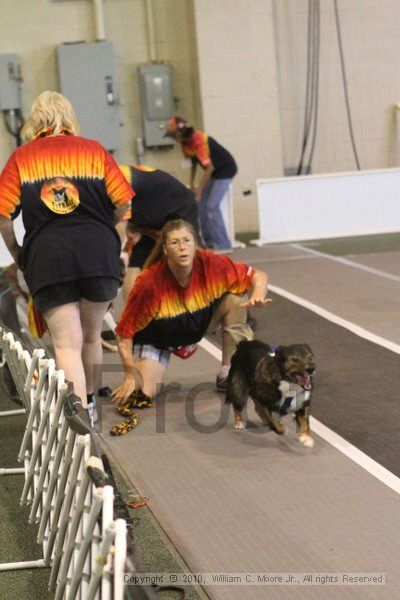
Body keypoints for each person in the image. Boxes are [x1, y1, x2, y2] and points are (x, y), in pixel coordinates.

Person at [0, 91, 134, 414]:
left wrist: (18, 253)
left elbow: (3, 214)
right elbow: (125, 203)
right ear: (70, 117)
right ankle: (91, 409)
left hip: (49, 258)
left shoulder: (23, 157)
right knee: (91, 337)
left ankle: (80, 419)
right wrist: (110, 236)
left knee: (65, 343)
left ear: (36, 121)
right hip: (99, 254)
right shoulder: (95, 151)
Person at [112, 219, 270, 412]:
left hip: (196, 322)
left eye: (187, 240)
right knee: (141, 395)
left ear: (196, 245)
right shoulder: (149, 284)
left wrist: (257, 296)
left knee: (235, 302)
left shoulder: (211, 264)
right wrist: (130, 374)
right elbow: (123, 333)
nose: (182, 247)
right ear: (165, 250)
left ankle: (228, 373)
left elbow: (258, 276)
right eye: (175, 242)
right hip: (158, 338)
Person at [117, 164, 199, 300]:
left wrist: (116, 253)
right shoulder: (115, 175)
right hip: (151, 211)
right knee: (137, 261)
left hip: (177, 207)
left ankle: (189, 303)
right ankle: (132, 315)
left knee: (186, 257)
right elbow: (119, 219)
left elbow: (119, 223)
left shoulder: (116, 180)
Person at [164, 116, 237, 251]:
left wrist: (199, 189)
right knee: (200, 205)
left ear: (180, 133)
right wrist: (191, 184)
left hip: (225, 169)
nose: (176, 140)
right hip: (214, 172)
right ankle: (209, 243)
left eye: (175, 137)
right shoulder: (184, 143)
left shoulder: (198, 140)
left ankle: (224, 245)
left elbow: (210, 168)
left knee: (212, 206)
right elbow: (193, 163)